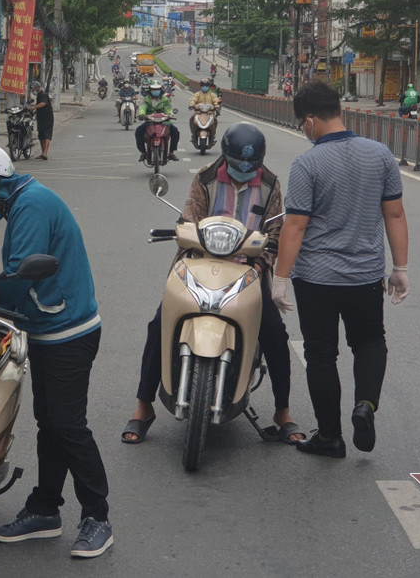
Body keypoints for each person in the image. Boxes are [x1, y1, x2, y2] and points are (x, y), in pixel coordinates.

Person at [0, 145, 113, 559]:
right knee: (49, 424)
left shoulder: (31, 206)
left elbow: (18, 276)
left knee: (68, 425)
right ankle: (44, 509)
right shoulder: (23, 200)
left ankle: (98, 517)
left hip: (67, 332)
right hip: (48, 328)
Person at [122, 123, 305, 445]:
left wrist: (262, 261)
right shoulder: (205, 177)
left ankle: (282, 413)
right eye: (238, 166)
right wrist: (187, 235)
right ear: (226, 158)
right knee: (158, 325)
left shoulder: (271, 184)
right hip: (199, 262)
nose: (244, 172)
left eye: (251, 167)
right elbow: (190, 217)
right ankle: (143, 407)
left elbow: (275, 231)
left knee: (275, 333)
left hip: (248, 269)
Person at [272, 81, 409, 459]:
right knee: (369, 341)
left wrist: (279, 280)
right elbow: (395, 214)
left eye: (303, 123)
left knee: (320, 354)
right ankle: (365, 404)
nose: (304, 129)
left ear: (311, 120)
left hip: (316, 277)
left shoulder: (307, 163)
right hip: (365, 275)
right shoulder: (380, 155)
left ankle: (330, 437)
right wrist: (400, 268)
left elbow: (295, 225)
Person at [135, 81, 179, 162]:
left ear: (160, 90)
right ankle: (143, 152)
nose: (155, 91)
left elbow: (168, 109)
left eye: (157, 89)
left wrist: (169, 115)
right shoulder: (146, 100)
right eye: (153, 89)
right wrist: (142, 115)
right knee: (138, 131)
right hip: (150, 122)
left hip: (164, 122)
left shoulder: (165, 99)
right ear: (150, 90)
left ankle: (171, 153)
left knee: (175, 131)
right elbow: (142, 108)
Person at [30, 81, 54, 160]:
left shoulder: (43, 94)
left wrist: (35, 107)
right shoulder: (39, 95)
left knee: (47, 135)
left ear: (38, 87)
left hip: (47, 118)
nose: (34, 91)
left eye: (34, 89)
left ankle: (45, 153)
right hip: (41, 118)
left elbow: (43, 103)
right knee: (41, 135)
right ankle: (43, 153)